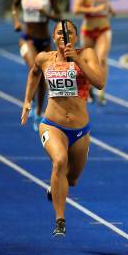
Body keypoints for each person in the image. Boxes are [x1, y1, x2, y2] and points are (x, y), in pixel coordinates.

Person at [21, 20, 104, 236]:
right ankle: (60, 220)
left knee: (72, 179)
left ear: (75, 37)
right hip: (52, 125)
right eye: (59, 32)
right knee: (59, 161)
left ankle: (57, 186)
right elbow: (33, 73)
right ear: (53, 36)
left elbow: (100, 82)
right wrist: (27, 101)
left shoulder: (86, 54)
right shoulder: (44, 58)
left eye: (68, 33)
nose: (63, 36)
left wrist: (77, 60)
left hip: (79, 129)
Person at [12, 0, 61, 130]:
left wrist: (47, 14)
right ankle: (31, 102)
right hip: (28, 39)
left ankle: (39, 112)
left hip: (45, 41)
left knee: (44, 79)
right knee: (36, 70)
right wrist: (16, 22)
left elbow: (59, 17)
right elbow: (14, 7)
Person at [72, 0, 113, 105]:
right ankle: (87, 89)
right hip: (88, 30)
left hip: (103, 29)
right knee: (87, 61)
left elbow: (106, 6)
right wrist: (94, 9)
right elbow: (76, 9)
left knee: (102, 59)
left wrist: (110, 10)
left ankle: (101, 91)